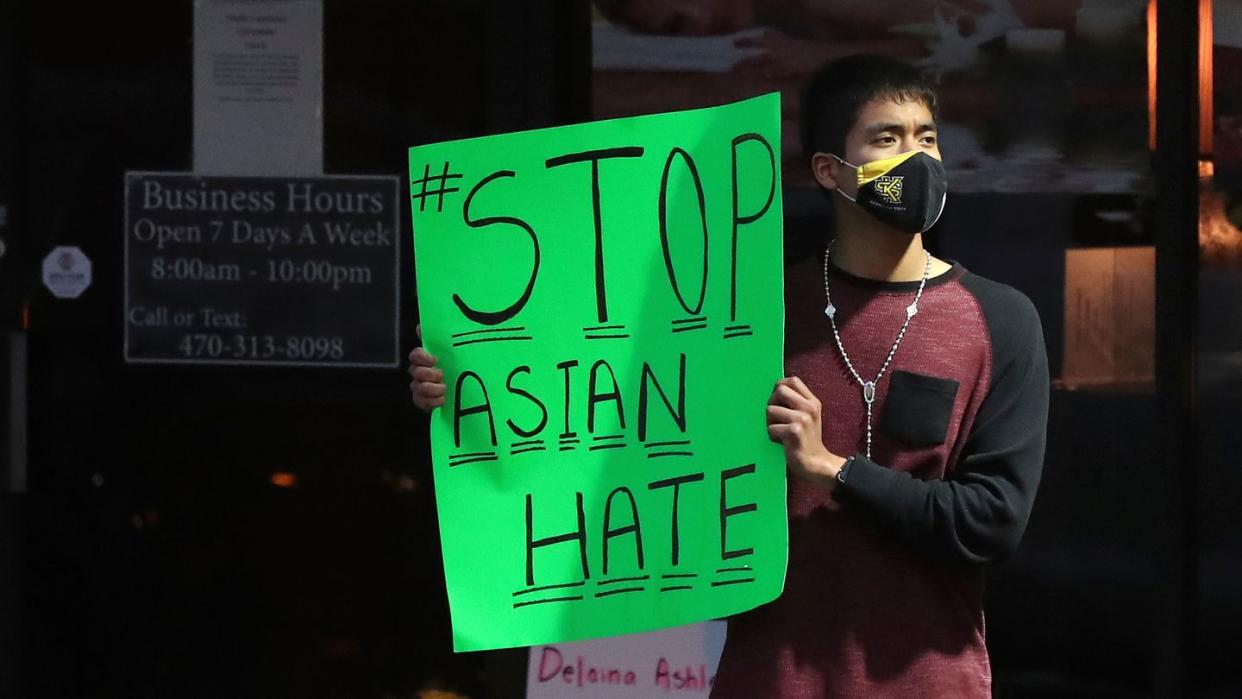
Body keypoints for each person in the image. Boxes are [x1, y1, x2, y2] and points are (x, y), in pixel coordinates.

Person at [410, 54, 1049, 698]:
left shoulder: (999, 320)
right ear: (830, 170)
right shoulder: (744, 313)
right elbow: (605, 433)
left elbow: (992, 521)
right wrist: (472, 390)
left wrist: (835, 470)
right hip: (767, 680)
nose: (917, 161)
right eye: (887, 139)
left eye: (928, 138)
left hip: (930, 686)